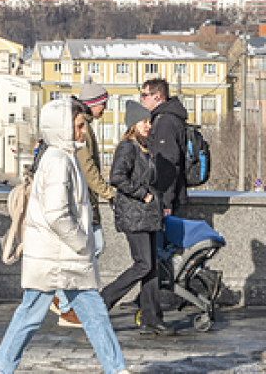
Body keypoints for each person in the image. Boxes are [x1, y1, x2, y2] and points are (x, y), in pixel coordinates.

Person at [0, 99, 128, 374]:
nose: (83, 132)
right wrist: (81, 243)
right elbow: (57, 213)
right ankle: (1, 368)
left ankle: (117, 369)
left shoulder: (61, 157)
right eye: (78, 126)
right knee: (39, 315)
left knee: (87, 314)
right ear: (63, 128)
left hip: (57, 257)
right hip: (60, 256)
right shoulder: (59, 161)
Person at [101, 100, 175, 336]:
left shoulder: (144, 147)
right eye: (144, 122)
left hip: (147, 216)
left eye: (149, 121)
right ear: (133, 123)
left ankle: (152, 320)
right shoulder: (128, 147)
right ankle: (102, 301)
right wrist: (142, 194)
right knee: (143, 264)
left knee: (151, 267)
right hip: (134, 215)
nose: (149, 125)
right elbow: (117, 177)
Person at [52, 75, 115, 327]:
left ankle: (60, 299)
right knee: (89, 248)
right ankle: (64, 303)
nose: (106, 109)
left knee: (88, 249)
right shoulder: (83, 128)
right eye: (103, 103)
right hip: (82, 201)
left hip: (83, 199)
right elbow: (87, 167)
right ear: (92, 103)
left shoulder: (81, 124)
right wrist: (109, 192)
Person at [140, 78, 187, 217]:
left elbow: (168, 163)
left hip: (166, 199)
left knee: (165, 238)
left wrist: (166, 202)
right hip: (168, 195)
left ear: (157, 97)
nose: (142, 99)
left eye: (145, 95)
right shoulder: (166, 118)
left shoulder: (165, 122)